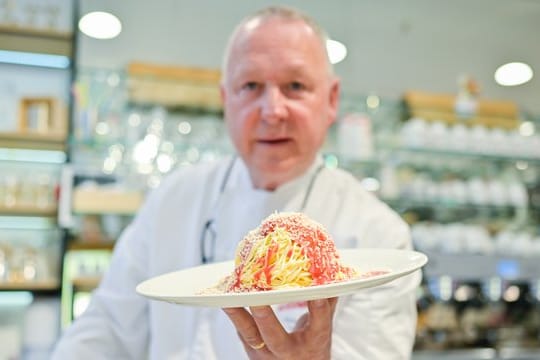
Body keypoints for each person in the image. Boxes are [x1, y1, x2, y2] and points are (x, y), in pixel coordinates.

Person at [53, 6, 420, 359]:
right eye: (250, 86)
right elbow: (106, 328)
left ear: (331, 99)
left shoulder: (378, 234)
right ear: (225, 99)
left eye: (295, 85)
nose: (273, 110)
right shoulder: (174, 198)